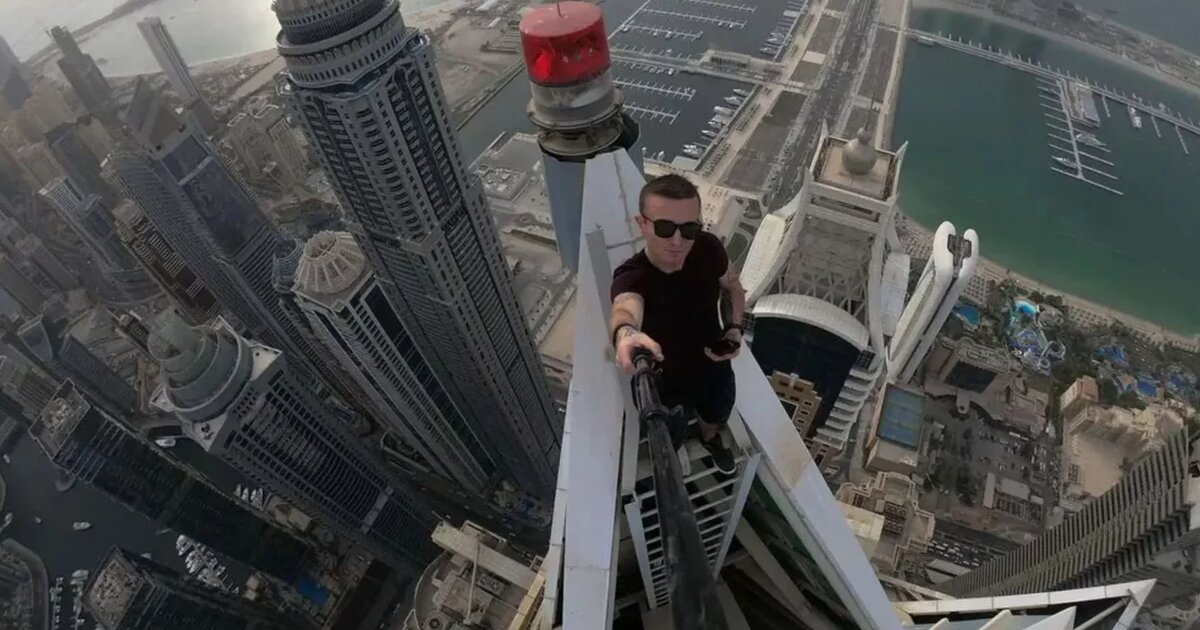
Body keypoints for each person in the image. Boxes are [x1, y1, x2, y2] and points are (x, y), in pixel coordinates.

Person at [609, 174, 746, 474]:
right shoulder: (633, 276)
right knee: (670, 431)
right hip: (663, 379)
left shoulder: (708, 248)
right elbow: (625, 307)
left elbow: (732, 287)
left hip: (713, 363)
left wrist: (734, 329)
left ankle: (710, 440)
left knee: (716, 413)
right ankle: (676, 447)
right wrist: (626, 334)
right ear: (642, 224)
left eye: (689, 229)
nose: (677, 240)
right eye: (664, 227)